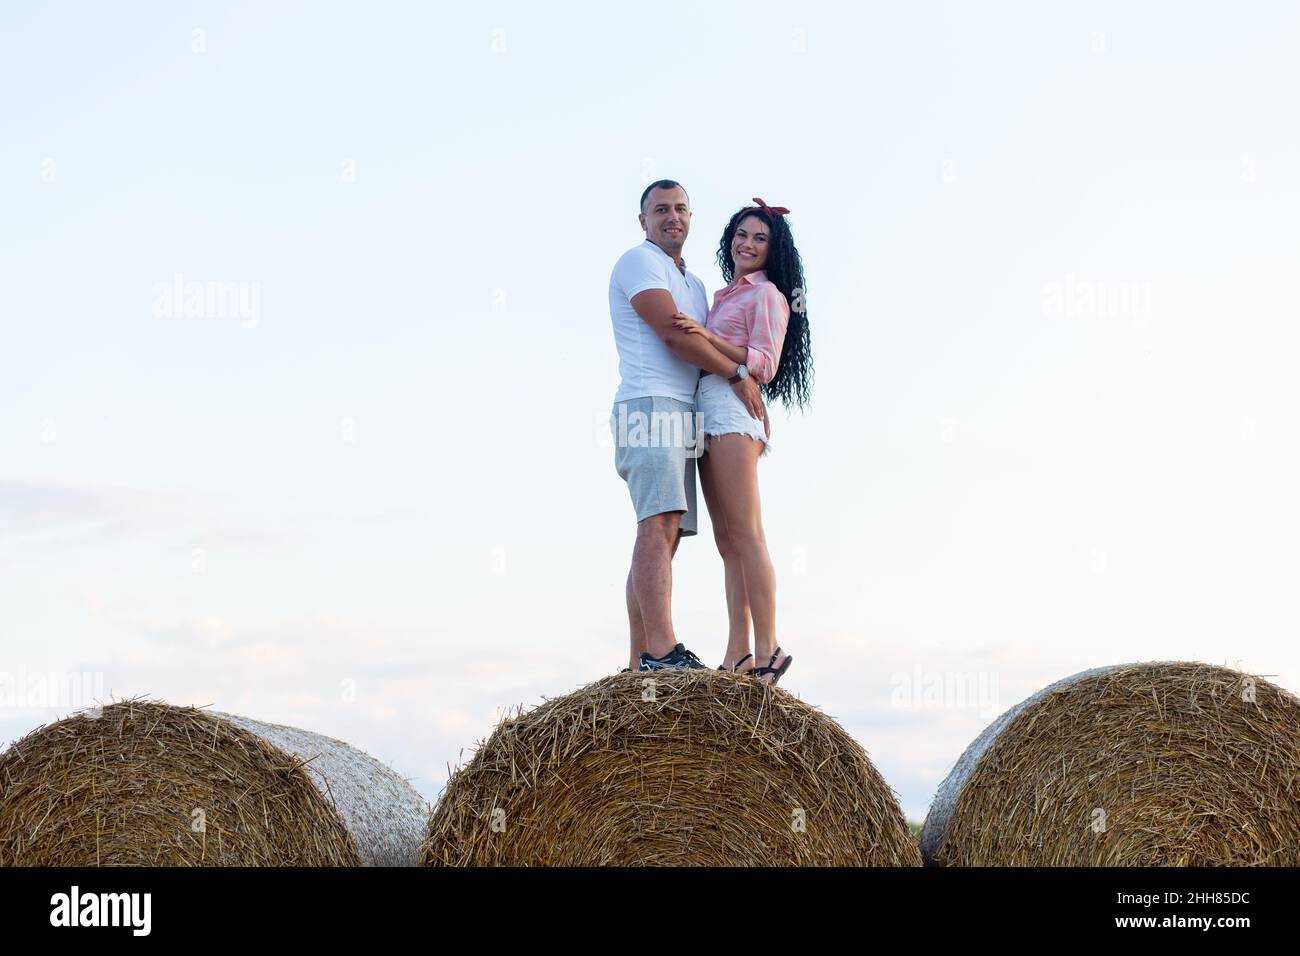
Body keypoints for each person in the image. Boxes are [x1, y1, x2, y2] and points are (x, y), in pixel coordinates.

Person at [608, 181, 771, 673]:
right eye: (660, 210)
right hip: (650, 404)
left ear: (691, 217)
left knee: (668, 529)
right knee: (656, 523)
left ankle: (640, 663)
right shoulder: (640, 262)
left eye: (680, 209)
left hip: (686, 412)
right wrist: (738, 374)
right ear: (643, 220)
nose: (671, 217)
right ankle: (661, 652)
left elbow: (712, 343)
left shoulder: (697, 286)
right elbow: (673, 336)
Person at [669, 198, 813, 685]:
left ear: (773, 251)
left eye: (759, 239)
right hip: (708, 410)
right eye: (741, 235)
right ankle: (737, 656)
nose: (747, 244)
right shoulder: (724, 295)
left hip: (733, 410)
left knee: (748, 534)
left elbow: (763, 364)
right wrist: (705, 335)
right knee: (726, 540)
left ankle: (768, 647)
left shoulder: (767, 295)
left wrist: (706, 339)